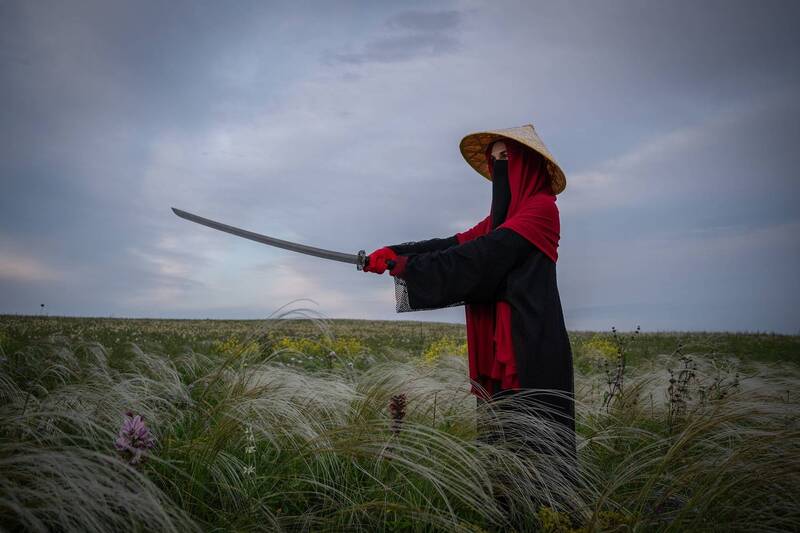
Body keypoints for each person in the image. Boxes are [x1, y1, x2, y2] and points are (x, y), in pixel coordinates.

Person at [362, 124, 575, 463]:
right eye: (495, 161)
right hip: (498, 348)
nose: (500, 167)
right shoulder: (499, 221)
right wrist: (392, 252)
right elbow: (453, 244)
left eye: (506, 157)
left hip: (531, 345)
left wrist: (405, 266)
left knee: (536, 442)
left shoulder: (541, 210)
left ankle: (549, 515)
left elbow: (482, 256)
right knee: (500, 442)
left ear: (528, 163)